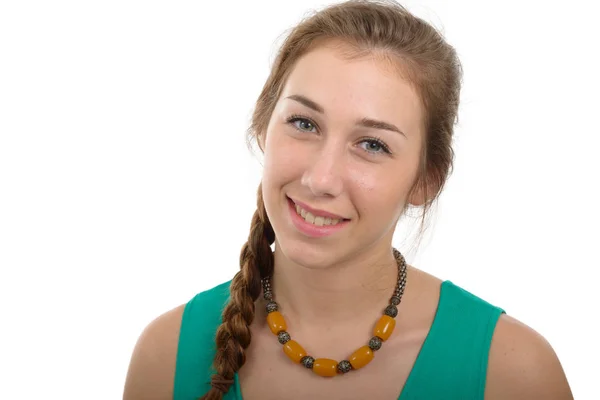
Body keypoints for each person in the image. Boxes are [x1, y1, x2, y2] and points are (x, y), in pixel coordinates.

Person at [123, 1, 573, 399]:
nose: (320, 178)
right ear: (263, 127)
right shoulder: (165, 357)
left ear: (426, 180)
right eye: (303, 123)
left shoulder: (514, 373)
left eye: (372, 145)